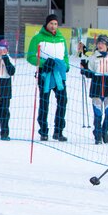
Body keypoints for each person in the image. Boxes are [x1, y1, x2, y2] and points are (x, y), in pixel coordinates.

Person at [27, 14, 70, 142]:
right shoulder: (37, 38)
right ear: (46, 24)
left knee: (63, 101)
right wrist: (44, 63)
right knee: (44, 102)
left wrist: (66, 66)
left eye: (55, 24)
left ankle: (59, 130)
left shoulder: (61, 39)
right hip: (45, 74)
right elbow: (30, 57)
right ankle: (43, 130)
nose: (53, 26)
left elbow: (65, 55)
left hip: (59, 75)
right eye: (51, 23)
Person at [81, 34, 108, 144]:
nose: (100, 45)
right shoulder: (93, 57)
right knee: (98, 113)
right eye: (98, 43)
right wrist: (84, 70)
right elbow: (89, 73)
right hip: (96, 89)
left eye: (102, 43)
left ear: (107, 45)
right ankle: (98, 135)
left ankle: (104, 131)